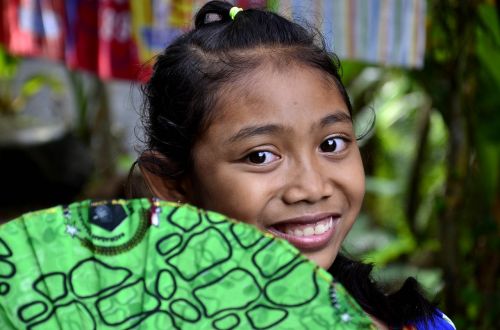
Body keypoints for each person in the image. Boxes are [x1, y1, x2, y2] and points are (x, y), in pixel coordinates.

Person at [137, 1, 456, 329]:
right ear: (174, 187)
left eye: (331, 144)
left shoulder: (420, 324)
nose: (313, 187)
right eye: (260, 156)